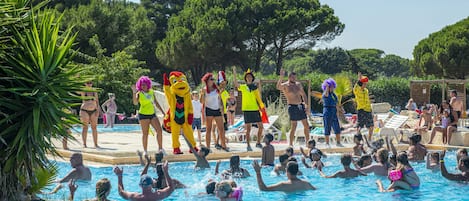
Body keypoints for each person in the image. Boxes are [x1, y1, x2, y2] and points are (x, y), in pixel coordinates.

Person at [232, 67, 266, 151]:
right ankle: (248, 145)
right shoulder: (243, 87)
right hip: (247, 110)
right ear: (246, 79)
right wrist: (235, 73)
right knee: (248, 129)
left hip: (255, 109)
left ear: (252, 78)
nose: (249, 78)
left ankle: (258, 142)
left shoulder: (255, 87)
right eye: (247, 77)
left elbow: (258, 98)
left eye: (250, 77)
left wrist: (262, 106)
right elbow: (236, 84)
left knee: (261, 127)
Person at [132, 76, 165, 156]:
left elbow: (156, 102)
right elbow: (135, 103)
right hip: (143, 115)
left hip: (152, 114)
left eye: (145, 84)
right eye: (142, 85)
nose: (143, 86)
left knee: (159, 130)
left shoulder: (151, 92)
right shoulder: (139, 94)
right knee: (145, 133)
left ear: (148, 85)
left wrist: (163, 112)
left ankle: (160, 149)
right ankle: (145, 151)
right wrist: (134, 92)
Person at [277, 69, 310, 146]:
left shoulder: (298, 84)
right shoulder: (285, 85)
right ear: (289, 77)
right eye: (293, 77)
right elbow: (278, 87)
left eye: (295, 77)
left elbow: (304, 95)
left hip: (300, 105)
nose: (294, 79)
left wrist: (306, 105)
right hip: (292, 106)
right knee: (294, 126)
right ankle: (291, 144)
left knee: (306, 125)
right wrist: (281, 77)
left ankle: (307, 142)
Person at [200, 73, 228, 151]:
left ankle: (223, 145)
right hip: (209, 109)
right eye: (211, 79)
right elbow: (201, 101)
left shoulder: (216, 89)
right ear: (207, 81)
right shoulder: (204, 90)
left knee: (221, 129)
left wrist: (222, 108)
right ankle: (208, 147)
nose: (213, 81)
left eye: (213, 79)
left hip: (217, 109)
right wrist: (202, 93)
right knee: (208, 129)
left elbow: (220, 96)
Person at [321, 78, 342, 146]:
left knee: (337, 127)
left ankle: (338, 142)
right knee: (327, 126)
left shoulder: (333, 94)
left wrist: (339, 110)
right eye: (331, 87)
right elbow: (326, 94)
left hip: (333, 110)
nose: (332, 88)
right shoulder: (325, 93)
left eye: (333, 86)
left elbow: (336, 103)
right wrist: (327, 87)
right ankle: (327, 143)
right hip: (327, 110)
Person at [80, 81, 101, 148]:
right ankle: (84, 144)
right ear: (85, 83)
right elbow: (75, 89)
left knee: (94, 127)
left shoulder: (94, 91)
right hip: (84, 111)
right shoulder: (83, 90)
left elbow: (97, 101)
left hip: (93, 111)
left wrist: (98, 110)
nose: (89, 84)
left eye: (90, 83)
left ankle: (96, 144)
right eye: (88, 83)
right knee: (85, 127)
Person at [353, 72, 374, 141]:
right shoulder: (357, 90)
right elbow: (356, 86)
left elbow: (367, 100)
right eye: (364, 83)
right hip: (361, 109)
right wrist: (359, 79)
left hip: (368, 110)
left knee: (371, 126)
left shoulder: (366, 90)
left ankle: (369, 139)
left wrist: (371, 109)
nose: (365, 85)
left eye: (366, 84)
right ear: (361, 84)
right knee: (360, 125)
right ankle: (357, 139)